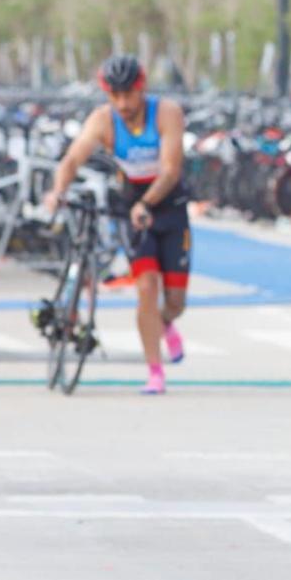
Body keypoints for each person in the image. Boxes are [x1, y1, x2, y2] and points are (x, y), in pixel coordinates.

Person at [42, 55, 190, 396]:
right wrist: (57, 192)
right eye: (115, 95)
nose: (123, 104)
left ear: (142, 89)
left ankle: (165, 322)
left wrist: (147, 203)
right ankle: (155, 371)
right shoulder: (103, 121)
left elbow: (170, 170)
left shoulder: (167, 113)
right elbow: (72, 159)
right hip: (131, 209)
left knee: (176, 300)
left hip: (168, 205)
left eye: (129, 95)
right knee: (146, 287)